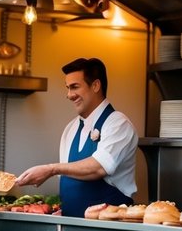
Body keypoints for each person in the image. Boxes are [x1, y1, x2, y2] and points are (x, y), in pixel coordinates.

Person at [15, 57, 138, 218]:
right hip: (71, 227)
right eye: (67, 88)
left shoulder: (118, 123)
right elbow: (68, 180)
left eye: (74, 87)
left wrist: (50, 169)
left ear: (95, 85)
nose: (69, 95)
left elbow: (99, 167)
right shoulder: (70, 128)